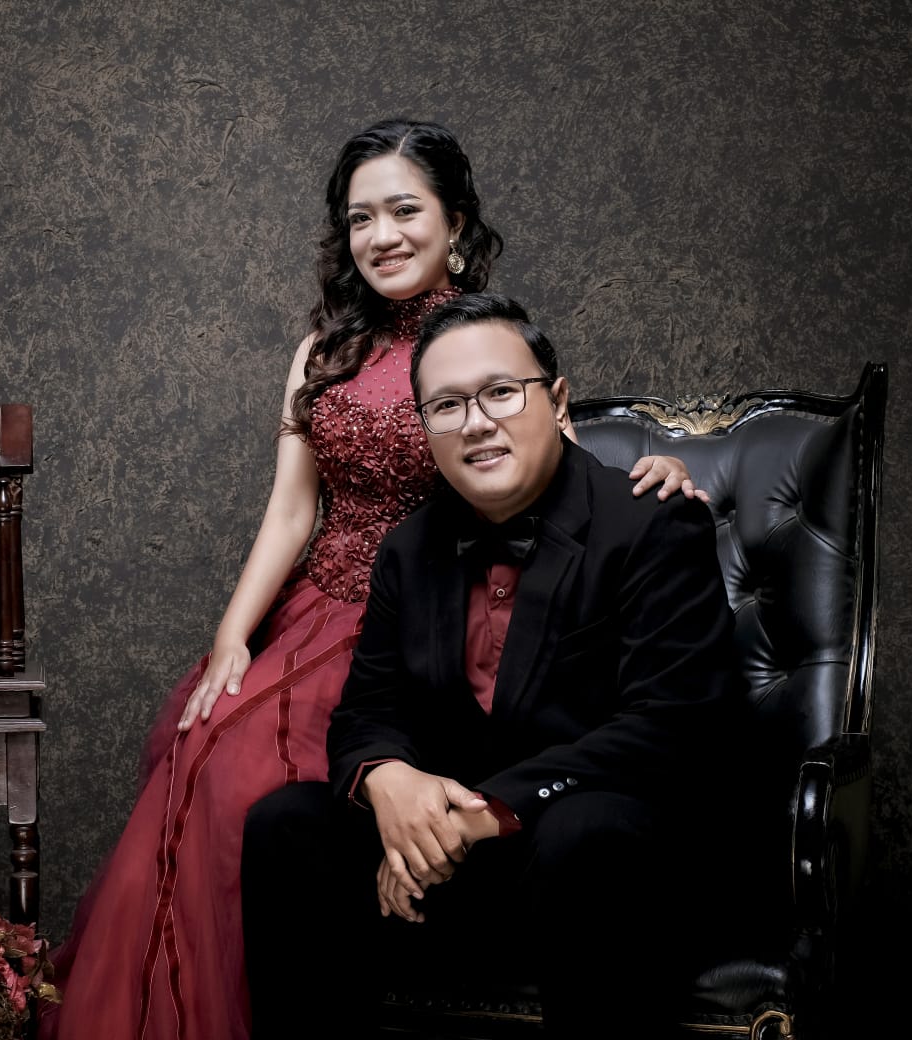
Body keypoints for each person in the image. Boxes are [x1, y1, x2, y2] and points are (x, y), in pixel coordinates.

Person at [41, 120, 705, 1040]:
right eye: (361, 219)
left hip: (468, 641)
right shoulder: (326, 354)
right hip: (373, 600)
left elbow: (553, 473)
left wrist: (661, 476)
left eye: (404, 210)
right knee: (228, 776)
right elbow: (292, 510)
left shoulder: (490, 343)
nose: (382, 235)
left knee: (525, 815)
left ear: (455, 222)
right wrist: (236, 640)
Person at [240, 292, 749, 1040]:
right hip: (461, 873)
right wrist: (390, 781)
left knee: (584, 833)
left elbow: (673, 724)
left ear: (558, 400)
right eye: (446, 406)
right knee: (286, 826)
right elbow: (366, 711)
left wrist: (476, 816)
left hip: (604, 857)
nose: (476, 423)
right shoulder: (408, 549)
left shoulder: (652, 521)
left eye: (501, 392)